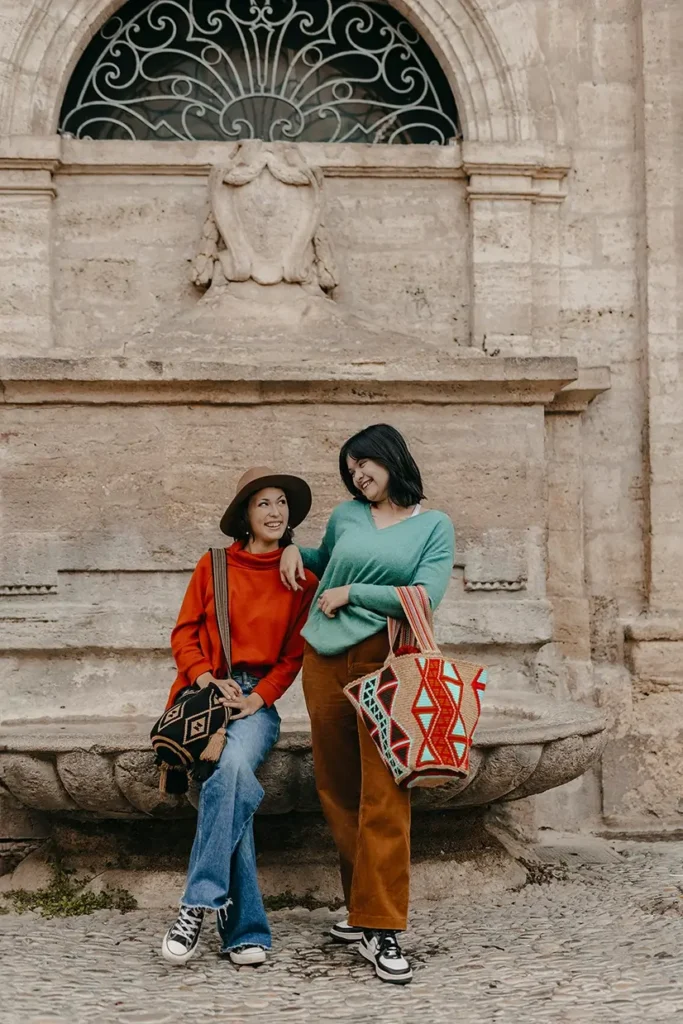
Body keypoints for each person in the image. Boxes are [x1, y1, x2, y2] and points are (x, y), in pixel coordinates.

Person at [280, 424, 454, 985]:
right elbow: (326, 560)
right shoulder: (346, 515)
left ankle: (384, 927)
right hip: (324, 658)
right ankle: (363, 910)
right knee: (337, 788)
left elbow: (424, 597)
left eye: (366, 462)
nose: (358, 473)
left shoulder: (433, 526)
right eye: (351, 466)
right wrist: (290, 551)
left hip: (388, 661)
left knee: (385, 792)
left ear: (392, 459)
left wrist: (353, 594)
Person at [162, 467, 317, 966]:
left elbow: (295, 656)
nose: (275, 512)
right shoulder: (214, 566)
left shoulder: (301, 578)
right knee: (231, 783)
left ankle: (195, 902)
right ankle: (244, 927)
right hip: (207, 697)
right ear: (245, 515)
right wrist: (206, 677)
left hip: (256, 705)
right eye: (263, 503)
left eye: (281, 503)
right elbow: (183, 634)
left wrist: (259, 698)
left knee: (227, 770)